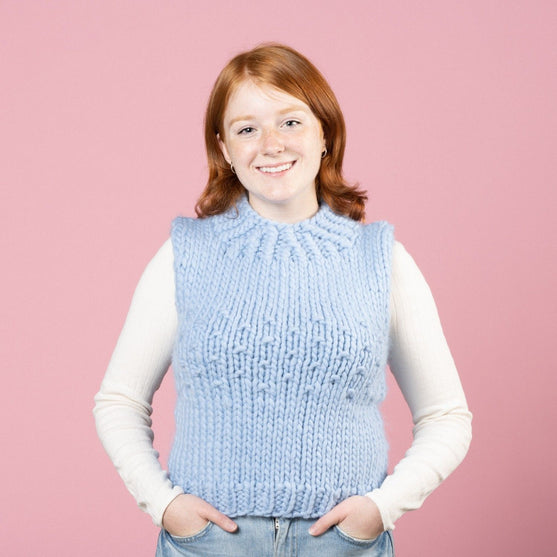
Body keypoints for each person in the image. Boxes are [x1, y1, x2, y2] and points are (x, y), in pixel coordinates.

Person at [94, 43, 472, 556]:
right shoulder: (187, 254)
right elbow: (119, 401)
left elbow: (446, 416)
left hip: (341, 546)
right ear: (225, 149)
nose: (271, 144)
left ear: (325, 134)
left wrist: (380, 511)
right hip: (210, 546)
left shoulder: (380, 259)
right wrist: (165, 506)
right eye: (247, 129)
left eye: (290, 122)